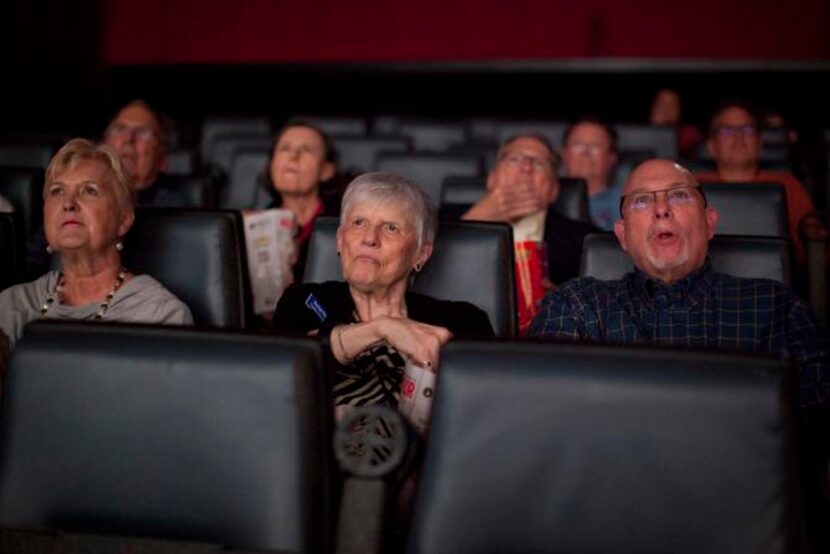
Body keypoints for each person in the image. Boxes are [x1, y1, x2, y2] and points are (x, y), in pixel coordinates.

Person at [529, 159, 828, 416]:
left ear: (710, 223)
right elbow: (543, 414)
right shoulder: (575, 305)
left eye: (679, 196)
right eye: (642, 200)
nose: (661, 209)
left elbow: (815, 426)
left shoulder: (778, 307)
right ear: (622, 235)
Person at [272, 172, 494, 416]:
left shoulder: (461, 321)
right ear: (339, 239)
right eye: (358, 223)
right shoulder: (305, 300)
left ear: (421, 254)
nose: (369, 238)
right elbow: (287, 367)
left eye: (391, 228)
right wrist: (382, 329)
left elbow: (481, 414)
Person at [0, 139, 193, 368]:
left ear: (123, 219)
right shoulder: (9, 304)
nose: (68, 203)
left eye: (89, 190)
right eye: (57, 191)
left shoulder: (159, 316)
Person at [450, 133, 599, 332]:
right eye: (514, 159)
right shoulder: (445, 222)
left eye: (538, 163)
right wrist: (474, 220)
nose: (526, 168)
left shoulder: (586, 240)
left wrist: (564, 301)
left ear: (554, 189)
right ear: (492, 179)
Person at [25, 100, 187, 278]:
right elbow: (30, 263)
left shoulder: (175, 210)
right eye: (119, 129)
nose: (128, 140)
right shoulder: (68, 201)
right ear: (104, 142)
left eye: (142, 132)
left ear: (163, 158)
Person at [694, 102, 815, 265]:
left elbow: (812, 252)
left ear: (760, 143)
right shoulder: (693, 185)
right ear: (711, 146)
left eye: (748, 130)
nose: (739, 137)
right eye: (727, 131)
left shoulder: (787, 184)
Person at [262, 121, 341, 282]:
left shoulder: (343, 225)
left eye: (306, 150)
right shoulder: (256, 226)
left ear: (326, 170)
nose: (293, 157)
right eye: (285, 149)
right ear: (271, 165)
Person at [560, 116, 621, 231]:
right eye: (577, 145)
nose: (586, 152)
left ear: (612, 157)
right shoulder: (544, 200)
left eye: (595, 146)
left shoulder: (624, 205)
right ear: (563, 154)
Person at [649, 88, 703, 160]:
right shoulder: (636, 132)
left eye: (672, 105)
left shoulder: (689, 132)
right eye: (661, 103)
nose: (666, 109)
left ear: (679, 111)